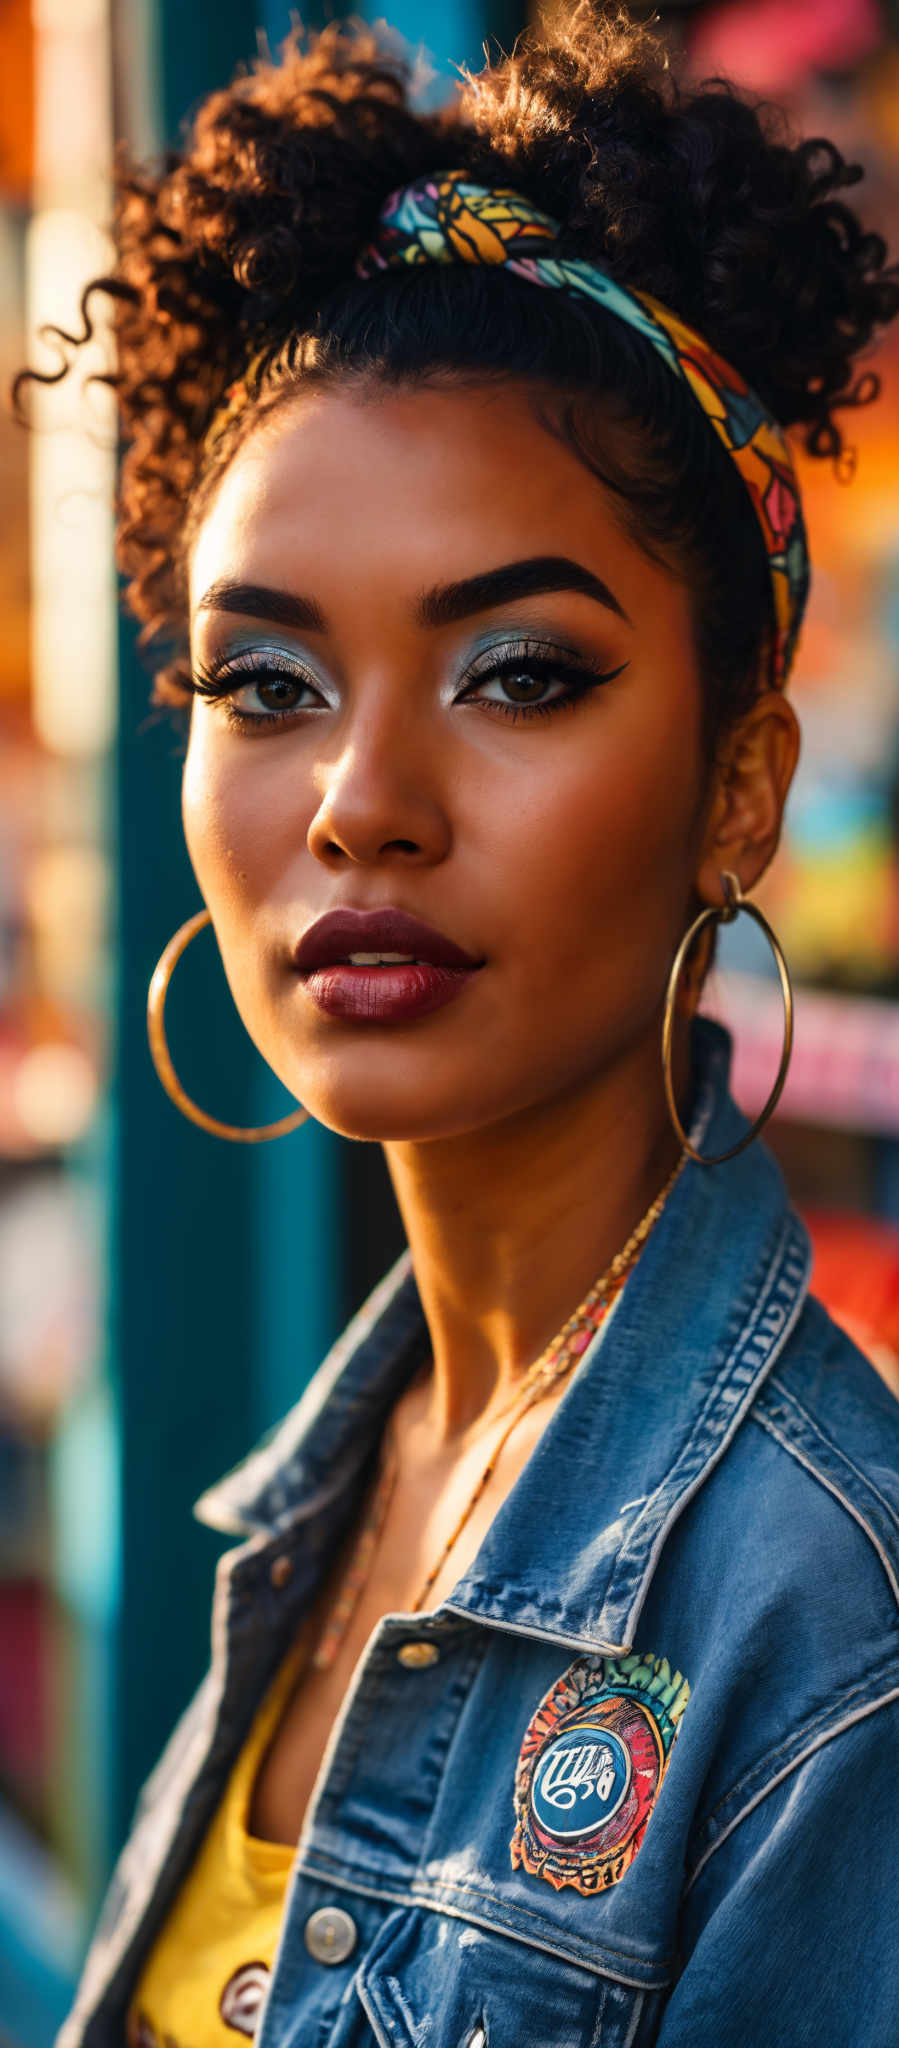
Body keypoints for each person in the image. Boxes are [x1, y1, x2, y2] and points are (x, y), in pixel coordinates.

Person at [28, 5, 899, 2043]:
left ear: (743, 785)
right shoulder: (330, 1492)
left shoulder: (826, 1632)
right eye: (267, 684)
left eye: (516, 673)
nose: (359, 799)